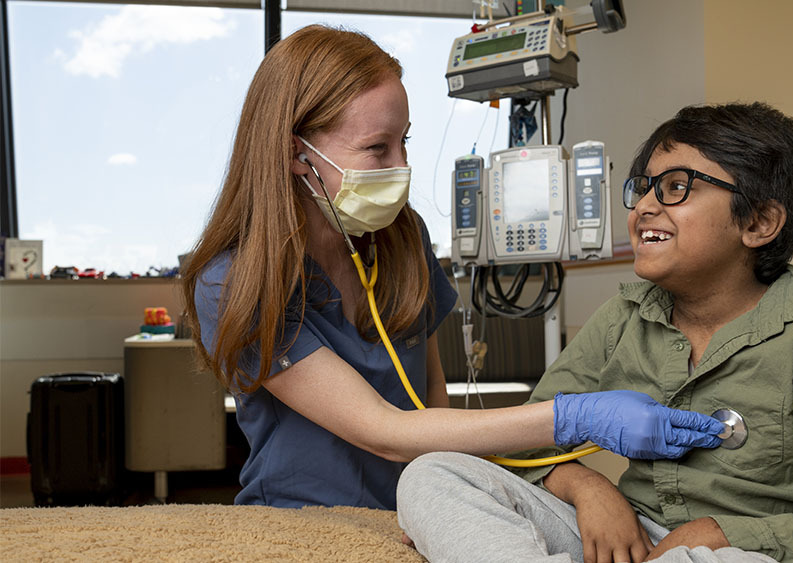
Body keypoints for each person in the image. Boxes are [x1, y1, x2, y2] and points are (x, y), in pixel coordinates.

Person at [180, 24, 726, 510]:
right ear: (297, 154)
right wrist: (578, 417)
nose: (402, 167)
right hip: (305, 521)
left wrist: (460, 495)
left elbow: (430, 399)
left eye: (405, 141)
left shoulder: (399, 237)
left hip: (423, 510)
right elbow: (384, 430)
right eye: (377, 148)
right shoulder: (233, 282)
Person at [396, 103, 793, 562]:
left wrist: (725, 534)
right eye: (646, 187)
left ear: (757, 223)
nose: (646, 206)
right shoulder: (626, 318)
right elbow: (528, 440)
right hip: (631, 533)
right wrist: (591, 489)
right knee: (433, 474)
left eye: (678, 187)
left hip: (738, 552)